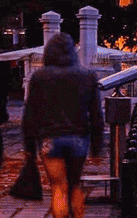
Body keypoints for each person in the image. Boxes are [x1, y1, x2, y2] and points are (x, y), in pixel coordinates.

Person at [21, 33, 102, 218]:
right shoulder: (88, 76)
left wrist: (29, 147)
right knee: (75, 185)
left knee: (58, 187)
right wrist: (97, 148)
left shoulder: (39, 77)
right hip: (79, 138)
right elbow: (97, 115)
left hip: (50, 139)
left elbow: (30, 115)